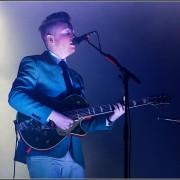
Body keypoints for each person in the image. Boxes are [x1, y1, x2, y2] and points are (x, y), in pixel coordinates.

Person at [8, 11, 125, 178]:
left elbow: (80, 123)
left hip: (75, 157)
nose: (73, 36)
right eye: (67, 32)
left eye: (73, 32)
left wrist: (111, 118)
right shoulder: (34, 63)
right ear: (50, 38)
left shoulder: (76, 77)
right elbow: (16, 97)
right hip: (43, 150)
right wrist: (54, 116)